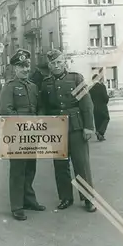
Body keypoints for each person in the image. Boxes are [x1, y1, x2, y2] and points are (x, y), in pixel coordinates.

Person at [40, 49, 96, 213]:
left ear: (64, 62)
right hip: (56, 128)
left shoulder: (76, 78)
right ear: (49, 66)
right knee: (60, 165)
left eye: (59, 62)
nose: (56, 66)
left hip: (76, 127)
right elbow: (43, 106)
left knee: (81, 164)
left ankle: (88, 199)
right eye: (52, 63)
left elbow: (86, 104)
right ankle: (65, 197)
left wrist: (89, 127)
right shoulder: (46, 83)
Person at [0, 48, 46, 221]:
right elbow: (5, 111)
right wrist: (22, 124)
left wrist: (40, 120)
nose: (25, 69)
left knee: (31, 168)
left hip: (33, 133)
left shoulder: (33, 87)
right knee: (18, 170)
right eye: (21, 66)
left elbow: (39, 107)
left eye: (27, 65)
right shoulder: (9, 87)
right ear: (14, 69)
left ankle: (29, 200)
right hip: (18, 134)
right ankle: (17, 206)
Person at [90, 74, 110, 141]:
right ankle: (100, 132)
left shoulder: (91, 88)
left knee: (97, 121)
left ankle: (100, 136)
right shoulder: (102, 86)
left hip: (94, 107)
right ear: (98, 79)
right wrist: (106, 101)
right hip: (102, 106)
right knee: (106, 118)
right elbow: (105, 97)